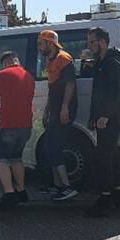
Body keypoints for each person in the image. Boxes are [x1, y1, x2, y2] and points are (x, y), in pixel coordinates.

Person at [87, 26, 120, 215]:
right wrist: (92, 117)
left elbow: (116, 92)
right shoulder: (102, 62)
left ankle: (105, 198)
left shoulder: (113, 63)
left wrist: (105, 115)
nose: (89, 46)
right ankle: (118, 195)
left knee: (103, 157)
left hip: (111, 117)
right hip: (104, 116)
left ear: (102, 42)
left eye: (92, 42)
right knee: (112, 156)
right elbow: (97, 92)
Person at [0, 50, 35, 210]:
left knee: (1, 159)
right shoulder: (28, 76)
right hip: (26, 126)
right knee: (16, 158)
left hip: (8, 125)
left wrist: (0, 97)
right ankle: (22, 191)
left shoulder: (1, 75)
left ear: (5, 62)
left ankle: (9, 194)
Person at [37, 30, 78, 201]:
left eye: (41, 43)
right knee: (49, 148)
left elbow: (70, 85)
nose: (39, 47)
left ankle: (67, 187)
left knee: (54, 148)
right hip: (54, 108)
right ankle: (57, 186)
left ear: (49, 43)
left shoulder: (63, 58)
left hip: (62, 108)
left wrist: (64, 107)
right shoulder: (51, 60)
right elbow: (52, 88)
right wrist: (47, 109)